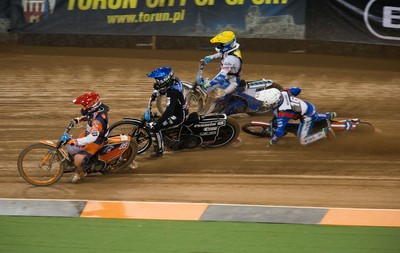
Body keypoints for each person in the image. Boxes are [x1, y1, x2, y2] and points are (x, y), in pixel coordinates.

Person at [255, 87, 336, 147]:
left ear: (275, 102)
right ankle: (328, 115)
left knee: (303, 141)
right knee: (312, 115)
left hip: (307, 117)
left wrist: (272, 142)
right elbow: (297, 89)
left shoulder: (283, 113)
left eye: (267, 103)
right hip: (308, 106)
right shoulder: (284, 93)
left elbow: (280, 131)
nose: (265, 105)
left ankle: (324, 132)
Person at [66, 92, 109, 183]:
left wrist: (76, 142)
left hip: (96, 140)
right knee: (72, 145)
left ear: (91, 105)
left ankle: (81, 172)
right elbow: (89, 116)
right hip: (88, 133)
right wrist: (79, 119)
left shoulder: (98, 120)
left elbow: (92, 138)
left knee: (78, 158)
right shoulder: (95, 110)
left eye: (84, 105)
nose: (83, 107)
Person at [145, 66, 188, 158]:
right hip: (181, 111)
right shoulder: (175, 80)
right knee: (158, 121)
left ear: (165, 79)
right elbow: (168, 89)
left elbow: (169, 111)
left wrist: (158, 123)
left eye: (158, 80)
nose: (157, 82)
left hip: (178, 116)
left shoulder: (172, 92)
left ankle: (159, 152)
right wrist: (160, 91)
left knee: (155, 127)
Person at [199, 30, 243, 114]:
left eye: (221, 44)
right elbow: (221, 54)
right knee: (210, 91)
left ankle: (225, 110)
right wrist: (210, 57)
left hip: (232, 82)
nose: (219, 46)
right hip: (226, 79)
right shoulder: (230, 51)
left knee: (219, 100)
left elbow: (221, 75)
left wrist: (210, 83)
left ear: (227, 44)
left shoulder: (230, 59)